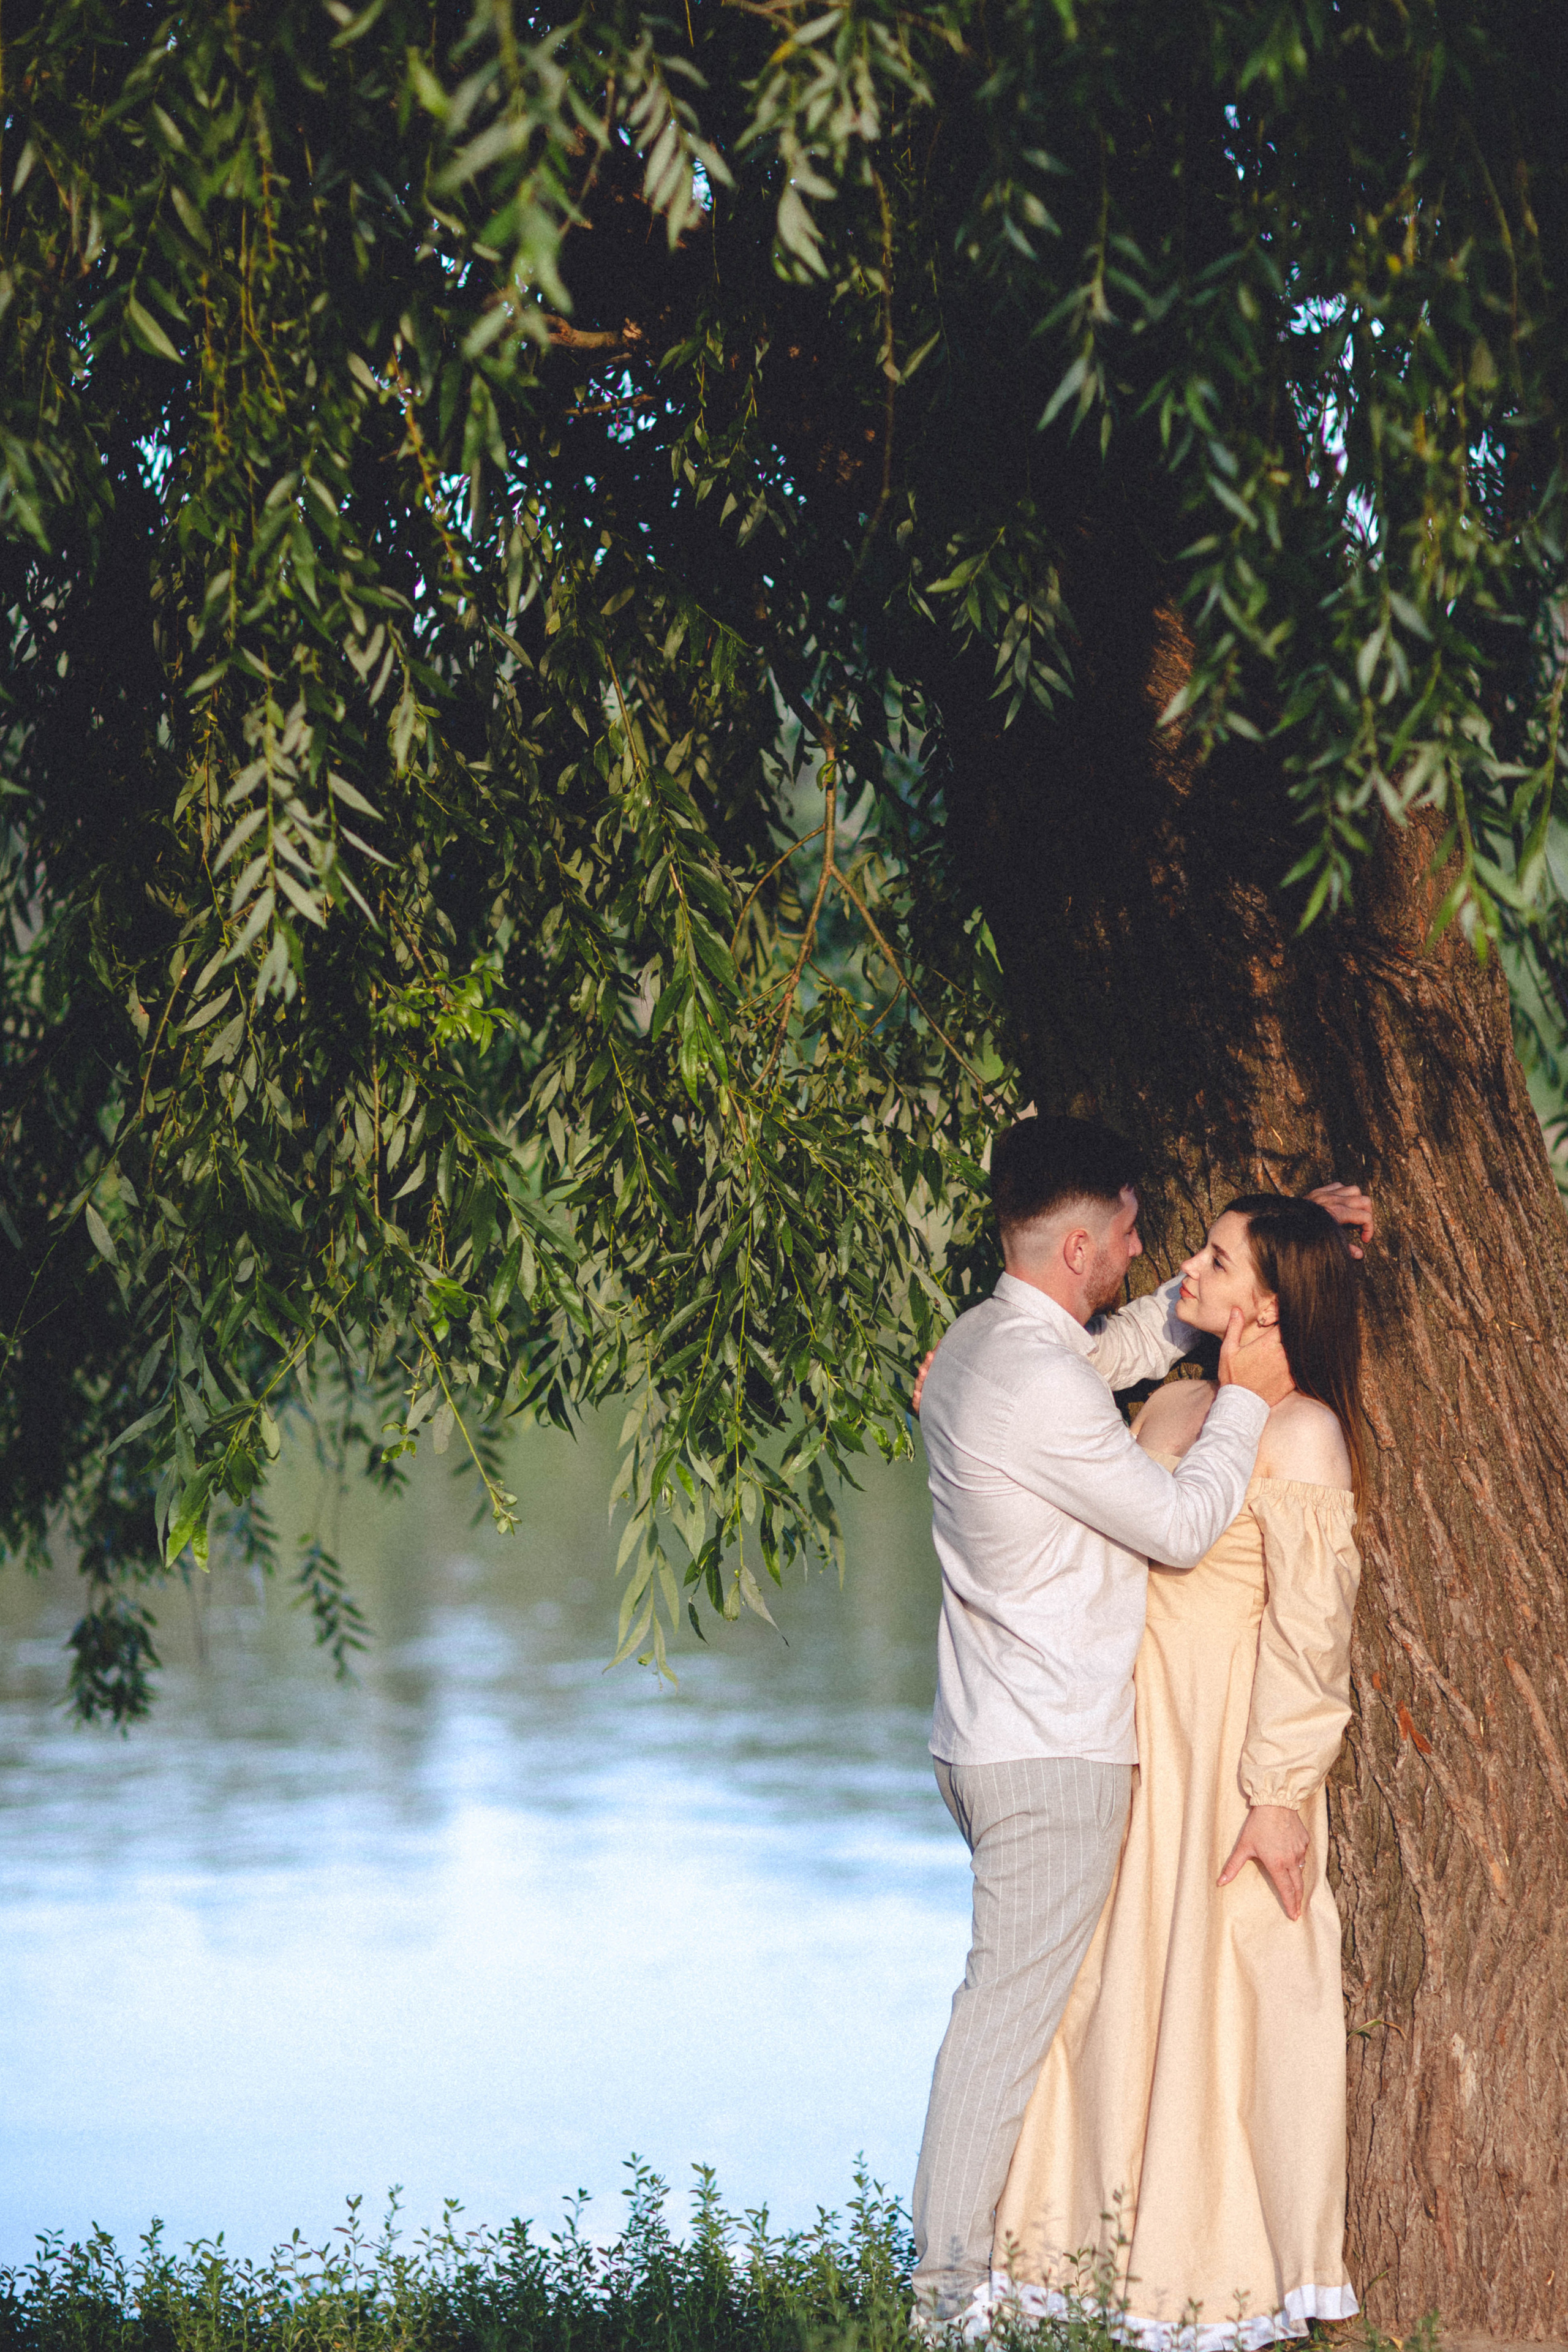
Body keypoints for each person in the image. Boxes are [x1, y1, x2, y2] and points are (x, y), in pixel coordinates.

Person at [907, 1115, 1372, 2335]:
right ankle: (947, 2302)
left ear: (1262, 1299)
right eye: (1137, 1237)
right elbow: (1172, 1529)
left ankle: (1162, 2263)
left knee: (1178, 2020)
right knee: (1038, 2022)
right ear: (1076, 1247)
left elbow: (1306, 1634)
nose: (1162, 1264)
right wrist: (1238, 1387)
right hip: (1073, 1749)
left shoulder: (994, 1352)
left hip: (1176, 1753)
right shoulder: (1145, 1407)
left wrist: (1276, 1788)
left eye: (1212, 1262)